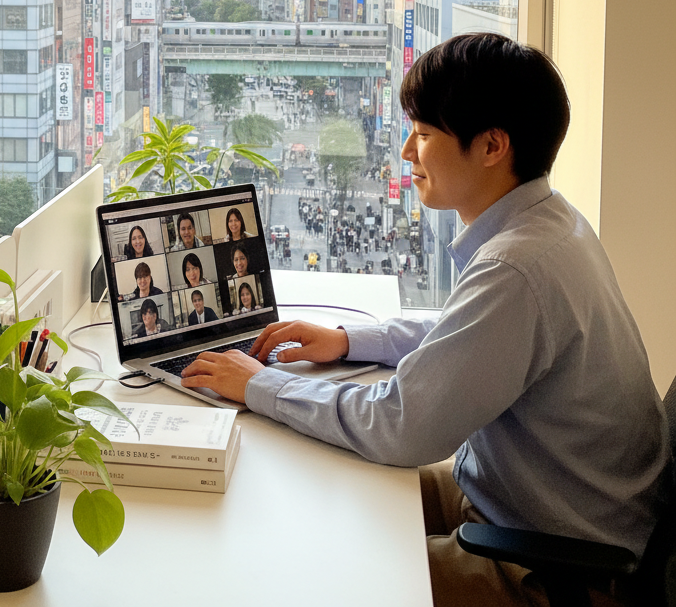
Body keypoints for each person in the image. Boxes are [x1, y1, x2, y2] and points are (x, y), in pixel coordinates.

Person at [180, 33, 670, 607]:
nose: (407, 154)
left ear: (491, 146)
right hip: (518, 505)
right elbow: (469, 331)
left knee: (321, 568)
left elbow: (400, 426)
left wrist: (260, 383)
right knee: (330, 492)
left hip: (554, 567)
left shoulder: (517, 267)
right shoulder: (549, 223)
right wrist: (348, 340)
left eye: (424, 135)